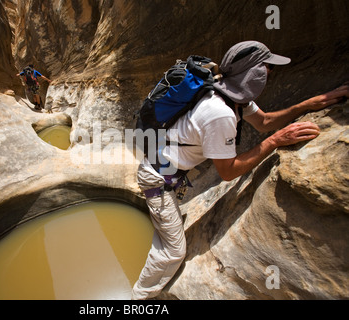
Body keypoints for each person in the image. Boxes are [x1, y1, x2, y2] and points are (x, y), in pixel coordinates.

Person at [132, 40, 349, 300]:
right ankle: (139, 297)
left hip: (166, 173)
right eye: (268, 68)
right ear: (254, 74)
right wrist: (277, 141)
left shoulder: (231, 96)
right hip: (157, 179)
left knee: (168, 231)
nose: (270, 73)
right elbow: (229, 171)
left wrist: (308, 105)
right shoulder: (219, 113)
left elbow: (265, 122)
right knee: (174, 252)